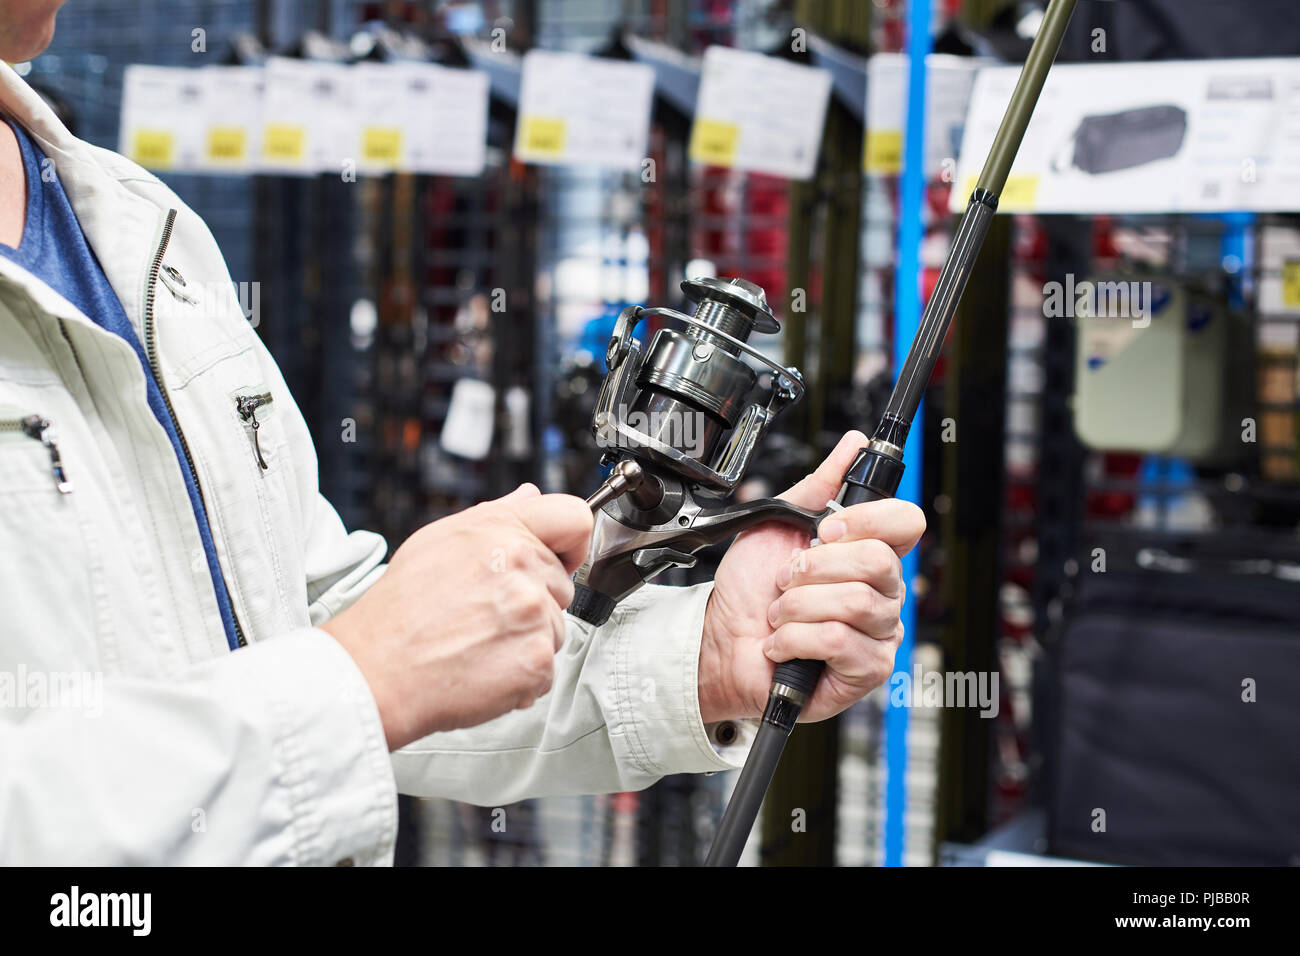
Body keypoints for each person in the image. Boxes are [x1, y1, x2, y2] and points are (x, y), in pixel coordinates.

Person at [0, 0, 925, 865]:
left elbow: (316, 624)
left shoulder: (143, 227)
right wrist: (359, 679)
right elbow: (354, 670)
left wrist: (704, 658)